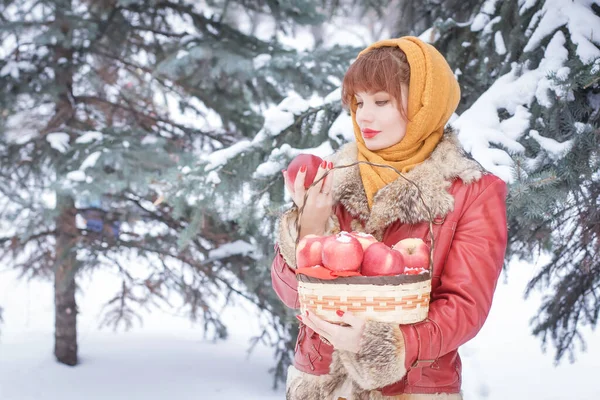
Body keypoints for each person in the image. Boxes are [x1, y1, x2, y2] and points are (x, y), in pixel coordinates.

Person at [272, 36, 508, 400]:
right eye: (358, 102)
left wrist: (382, 344)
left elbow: (465, 307)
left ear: (424, 103)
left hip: (410, 390)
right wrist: (310, 224)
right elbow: (292, 295)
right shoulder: (333, 180)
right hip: (321, 386)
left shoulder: (471, 192)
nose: (364, 116)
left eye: (381, 101)